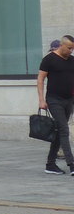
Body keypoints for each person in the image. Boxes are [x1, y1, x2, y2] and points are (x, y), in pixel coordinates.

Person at [37, 35, 74, 175]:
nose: (71, 51)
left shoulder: (72, 60)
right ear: (61, 45)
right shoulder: (49, 59)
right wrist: (41, 100)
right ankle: (72, 164)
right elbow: (40, 79)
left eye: (73, 49)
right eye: (69, 48)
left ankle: (50, 164)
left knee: (59, 132)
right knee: (64, 129)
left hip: (69, 100)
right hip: (54, 100)